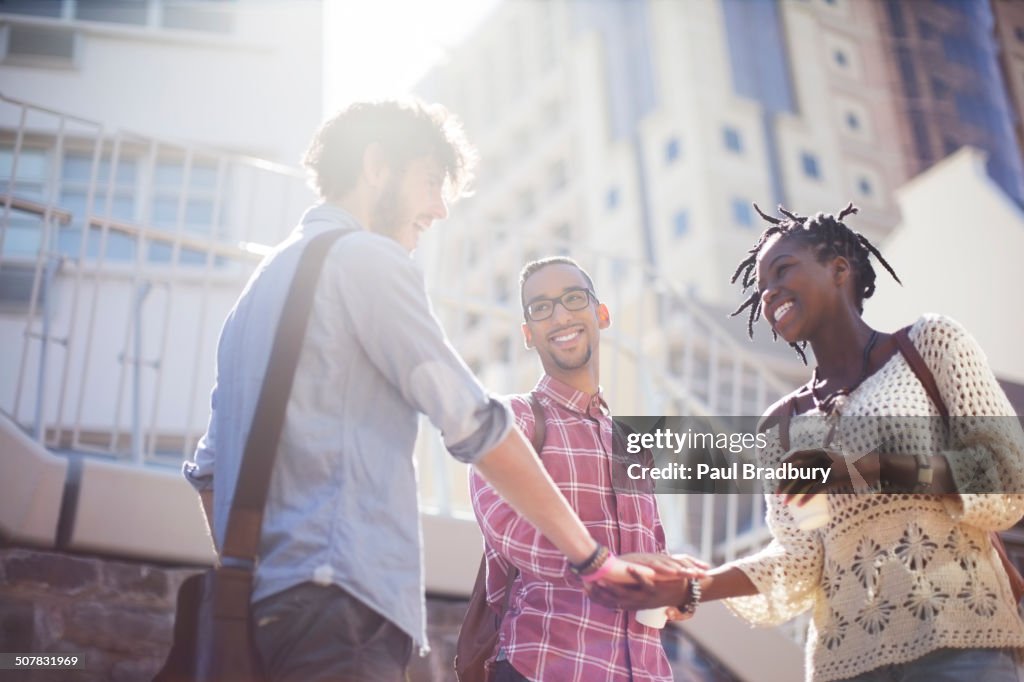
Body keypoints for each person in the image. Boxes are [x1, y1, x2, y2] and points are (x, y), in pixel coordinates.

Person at [182, 100, 673, 682]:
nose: (439, 208)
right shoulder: (367, 259)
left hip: (265, 611)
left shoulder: (256, 293)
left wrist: (265, 580)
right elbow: (474, 424)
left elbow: (211, 474)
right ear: (376, 166)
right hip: (342, 611)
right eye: (431, 182)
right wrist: (593, 561)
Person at [593, 204, 1024, 681]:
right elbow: (799, 560)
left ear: (839, 269)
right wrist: (695, 586)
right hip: (847, 664)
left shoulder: (929, 345)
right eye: (761, 288)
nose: (770, 292)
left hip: (962, 644)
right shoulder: (780, 426)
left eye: (783, 270)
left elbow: (1005, 479)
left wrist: (862, 468)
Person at [469, 257, 701, 682]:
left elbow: (654, 554)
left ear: (602, 314)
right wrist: (608, 568)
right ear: (528, 334)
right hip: (542, 667)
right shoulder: (513, 419)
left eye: (573, 298)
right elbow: (507, 529)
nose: (559, 315)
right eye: (541, 308)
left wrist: (680, 590)